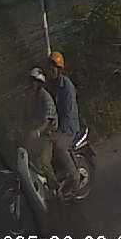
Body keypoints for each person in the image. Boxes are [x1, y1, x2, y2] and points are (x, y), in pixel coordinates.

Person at [45, 52, 81, 196]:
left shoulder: (67, 87)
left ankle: (74, 177)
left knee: (59, 147)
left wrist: (58, 132)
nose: (50, 71)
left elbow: (68, 114)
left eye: (53, 68)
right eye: (49, 68)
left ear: (59, 69)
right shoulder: (51, 85)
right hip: (58, 126)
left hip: (69, 128)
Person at [23, 68, 57, 179]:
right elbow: (29, 116)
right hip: (39, 134)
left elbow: (47, 121)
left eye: (34, 81)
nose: (32, 83)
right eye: (31, 80)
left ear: (40, 83)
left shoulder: (46, 98)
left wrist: (37, 132)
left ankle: (54, 186)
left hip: (49, 134)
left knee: (43, 161)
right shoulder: (33, 97)